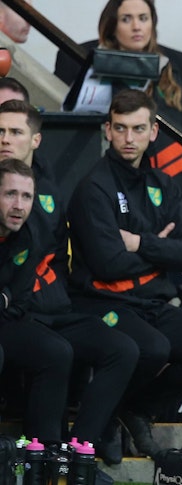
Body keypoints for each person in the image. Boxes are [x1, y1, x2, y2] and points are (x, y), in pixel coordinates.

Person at [66, 89, 182, 458]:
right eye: (121, 128)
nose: (129, 138)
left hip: (152, 301)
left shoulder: (164, 184)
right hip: (103, 301)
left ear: (153, 131)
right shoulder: (93, 188)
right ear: (107, 130)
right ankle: (102, 424)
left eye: (138, 129)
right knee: (154, 348)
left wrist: (138, 243)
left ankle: (133, 407)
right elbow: (107, 263)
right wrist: (161, 248)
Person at [0, 99, 139, 462]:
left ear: (35, 139)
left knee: (123, 349)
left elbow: (58, 258)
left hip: (52, 306)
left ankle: (79, 450)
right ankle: (41, 454)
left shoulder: (47, 190)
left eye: (15, 131)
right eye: (0, 131)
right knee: (55, 352)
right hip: (17, 313)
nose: (5, 139)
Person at [54, 0, 182, 227]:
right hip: (112, 188)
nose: (137, 27)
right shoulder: (80, 57)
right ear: (112, 25)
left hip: (174, 186)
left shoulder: (177, 63)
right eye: (127, 19)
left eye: (143, 18)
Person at [0, 157, 73, 447]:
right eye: (10, 194)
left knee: (57, 351)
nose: (19, 205)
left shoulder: (30, 236)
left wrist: (5, 298)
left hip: (6, 319)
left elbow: (18, 301)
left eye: (27, 196)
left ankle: (42, 456)